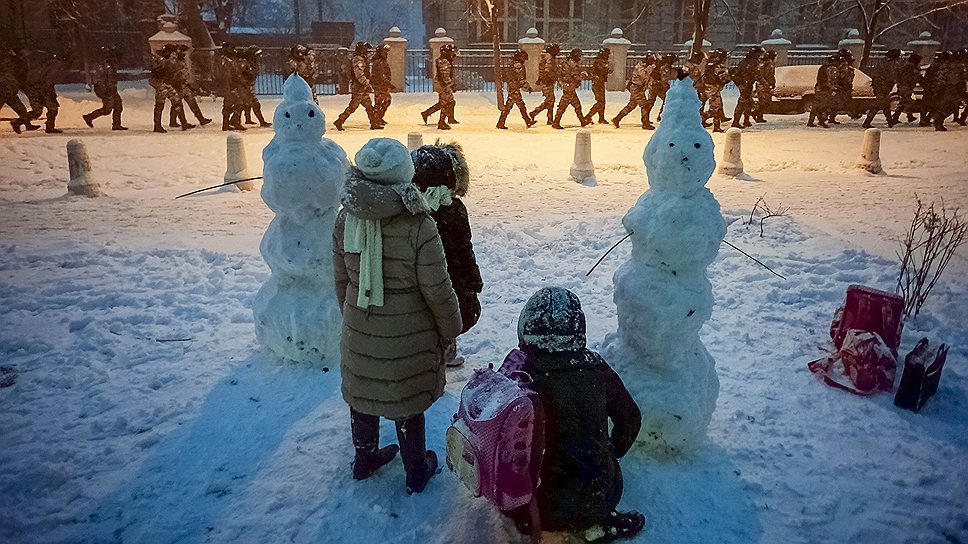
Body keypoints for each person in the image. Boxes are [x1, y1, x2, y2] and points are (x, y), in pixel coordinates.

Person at [334, 138, 462, 494]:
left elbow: (340, 277)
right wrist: (451, 327)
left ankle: (365, 459)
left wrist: (353, 315)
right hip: (410, 333)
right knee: (405, 403)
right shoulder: (418, 223)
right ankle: (416, 469)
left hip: (361, 326)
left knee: (363, 394)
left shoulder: (346, 217)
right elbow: (437, 288)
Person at [502, 287, 644, 542]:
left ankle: (530, 521)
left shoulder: (518, 371)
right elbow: (631, 419)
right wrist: (611, 450)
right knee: (595, 477)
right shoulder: (595, 368)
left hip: (528, 504)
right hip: (594, 498)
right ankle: (597, 523)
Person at [410, 142, 482, 367]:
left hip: (426, 275)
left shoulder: (412, 211)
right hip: (451, 275)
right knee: (448, 309)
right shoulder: (453, 210)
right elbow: (463, 248)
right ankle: (444, 351)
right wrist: (472, 278)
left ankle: (435, 351)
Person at [335, 41, 377, 131]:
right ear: (362, 50)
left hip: (361, 87)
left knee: (369, 106)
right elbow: (359, 75)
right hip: (359, 87)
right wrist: (367, 84)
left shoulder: (361, 58)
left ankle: (374, 123)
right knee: (353, 107)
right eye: (365, 49)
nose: (367, 51)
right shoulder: (358, 59)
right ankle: (339, 121)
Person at [82, 46, 126, 130]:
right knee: (107, 109)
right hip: (104, 89)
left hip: (111, 88)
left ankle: (116, 125)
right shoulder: (103, 66)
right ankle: (89, 117)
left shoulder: (111, 65)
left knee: (118, 106)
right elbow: (98, 79)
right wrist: (105, 90)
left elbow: (111, 78)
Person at [168, 45, 210, 129]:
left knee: (190, 102)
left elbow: (185, 72)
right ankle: (183, 123)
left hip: (184, 84)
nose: (186, 54)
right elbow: (174, 73)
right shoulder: (173, 60)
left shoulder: (181, 59)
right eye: (184, 52)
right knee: (178, 104)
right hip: (176, 85)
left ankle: (201, 119)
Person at [1, 45, 39, 133]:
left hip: (10, 92)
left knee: (21, 109)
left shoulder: (13, 62)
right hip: (3, 91)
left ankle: (27, 125)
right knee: (21, 109)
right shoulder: (5, 62)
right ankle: (26, 125)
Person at [612, 53, 656, 129]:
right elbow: (643, 75)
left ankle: (617, 119)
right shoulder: (641, 66)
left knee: (631, 105)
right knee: (645, 105)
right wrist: (651, 68)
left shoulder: (646, 66)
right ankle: (645, 123)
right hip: (636, 88)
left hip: (639, 88)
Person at [24, 50, 63, 134]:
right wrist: (46, 93)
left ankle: (18, 122)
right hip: (43, 91)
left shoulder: (48, 65)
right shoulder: (53, 66)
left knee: (41, 110)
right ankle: (50, 127)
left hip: (41, 90)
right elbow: (46, 81)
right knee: (51, 109)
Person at [421, 43, 457, 130]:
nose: (453, 54)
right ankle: (441, 122)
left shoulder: (446, 60)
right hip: (443, 85)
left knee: (449, 102)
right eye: (451, 52)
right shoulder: (443, 61)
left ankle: (427, 113)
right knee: (446, 103)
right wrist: (451, 84)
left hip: (443, 84)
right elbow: (445, 75)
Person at [497, 49, 536, 129]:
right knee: (515, 106)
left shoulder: (513, 64)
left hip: (513, 87)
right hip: (514, 88)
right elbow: (520, 78)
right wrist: (527, 87)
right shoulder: (518, 66)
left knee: (517, 106)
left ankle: (527, 121)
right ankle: (501, 123)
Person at [553, 48, 591, 129]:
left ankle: (582, 121)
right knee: (563, 106)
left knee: (577, 105)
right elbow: (576, 76)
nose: (580, 58)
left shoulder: (566, 63)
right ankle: (556, 122)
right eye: (579, 56)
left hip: (568, 86)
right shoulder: (572, 64)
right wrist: (584, 75)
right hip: (569, 87)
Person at [863, 48, 901, 128]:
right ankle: (867, 122)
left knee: (884, 104)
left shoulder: (883, 62)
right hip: (884, 86)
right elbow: (893, 76)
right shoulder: (893, 64)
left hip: (878, 85)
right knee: (879, 104)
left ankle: (890, 121)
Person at [238, 46, 270, 127]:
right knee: (253, 104)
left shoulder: (253, 62)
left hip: (249, 86)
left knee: (246, 104)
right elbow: (238, 74)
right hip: (244, 87)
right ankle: (261, 122)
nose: (259, 56)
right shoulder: (245, 62)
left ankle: (246, 119)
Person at [730, 46, 762, 128]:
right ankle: (735, 122)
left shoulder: (745, 61)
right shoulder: (752, 62)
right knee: (742, 103)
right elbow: (755, 74)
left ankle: (746, 120)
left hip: (746, 84)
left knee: (749, 102)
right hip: (745, 84)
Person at [528, 42, 560, 125]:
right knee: (550, 100)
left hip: (547, 82)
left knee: (550, 101)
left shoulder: (548, 58)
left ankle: (549, 119)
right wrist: (550, 77)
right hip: (546, 82)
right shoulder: (548, 59)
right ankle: (534, 113)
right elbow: (547, 71)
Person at [701, 48, 731, 133]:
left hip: (710, 87)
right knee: (715, 107)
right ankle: (701, 120)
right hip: (712, 88)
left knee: (718, 105)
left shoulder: (710, 63)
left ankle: (717, 124)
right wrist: (729, 76)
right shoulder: (716, 65)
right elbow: (723, 78)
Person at [891, 53, 922, 125]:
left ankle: (896, 117)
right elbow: (917, 78)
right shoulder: (912, 68)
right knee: (909, 102)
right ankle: (908, 115)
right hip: (907, 87)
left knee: (903, 102)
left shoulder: (903, 67)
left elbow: (897, 76)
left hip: (902, 86)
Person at [807, 55, 837, 128]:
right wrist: (833, 89)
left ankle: (811, 121)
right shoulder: (832, 69)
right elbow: (831, 81)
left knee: (816, 106)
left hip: (819, 89)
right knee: (824, 106)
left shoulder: (822, 68)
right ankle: (821, 121)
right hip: (825, 90)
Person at [584, 48, 612, 125]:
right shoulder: (600, 62)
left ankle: (601, 118)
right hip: (597, 83)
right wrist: (607, 67)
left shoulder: (600, 61)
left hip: (599, 83)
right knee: (600, 102)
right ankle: (588, 117)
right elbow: (604, 70)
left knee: (602, 101)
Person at [370, 43, 393, 128]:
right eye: (385, 51)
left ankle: (378, 118)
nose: (386, 53)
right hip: (379, 85)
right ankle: (375, 122)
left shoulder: (382, 61)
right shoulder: (379, 62)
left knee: (383, 101)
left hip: (382, 85)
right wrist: (389, 83)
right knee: (380, 102)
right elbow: (381, 75)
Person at [753, 50, 777, 123]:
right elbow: (769, 75)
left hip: (760, 84)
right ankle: (755, 112)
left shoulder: (761, 63)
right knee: (765, 102)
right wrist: (772, 83)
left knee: (762, 101)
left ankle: (759, 116)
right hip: (765, 85)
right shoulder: (769, 64)